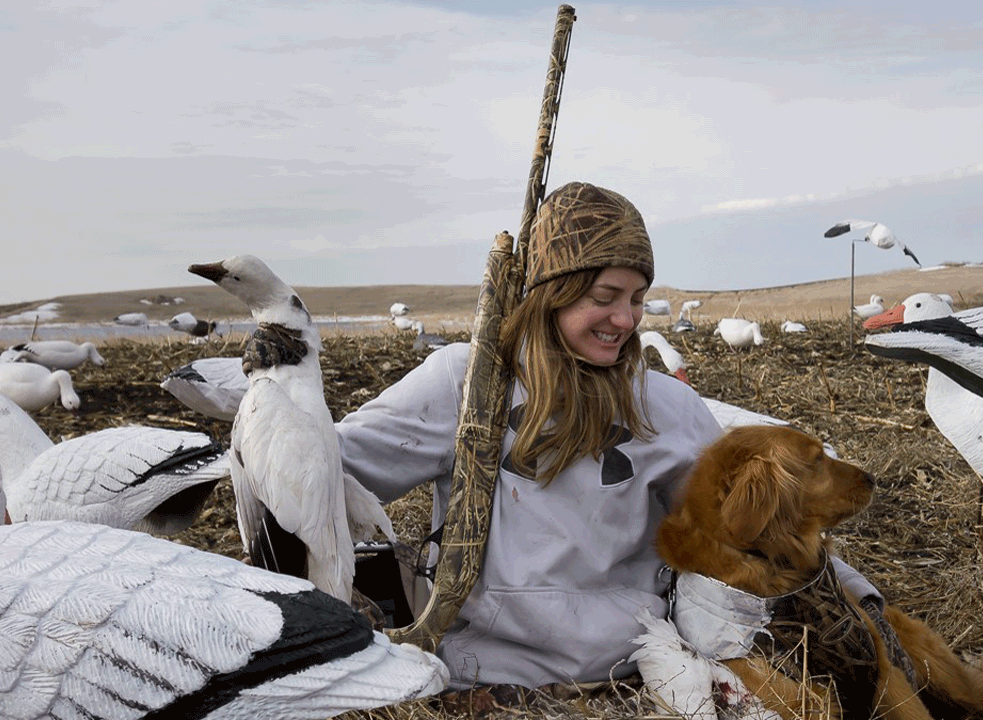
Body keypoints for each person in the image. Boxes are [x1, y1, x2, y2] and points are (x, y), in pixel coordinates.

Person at [336, 181, 882, 690]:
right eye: (605, 295)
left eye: (638, 297)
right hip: (485, 674)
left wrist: (858, 596)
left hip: (640, 670)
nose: (625, 319)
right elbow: (320, 477)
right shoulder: (467, 382)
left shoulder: (665, 404)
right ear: (552, 292)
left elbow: (754, 519)